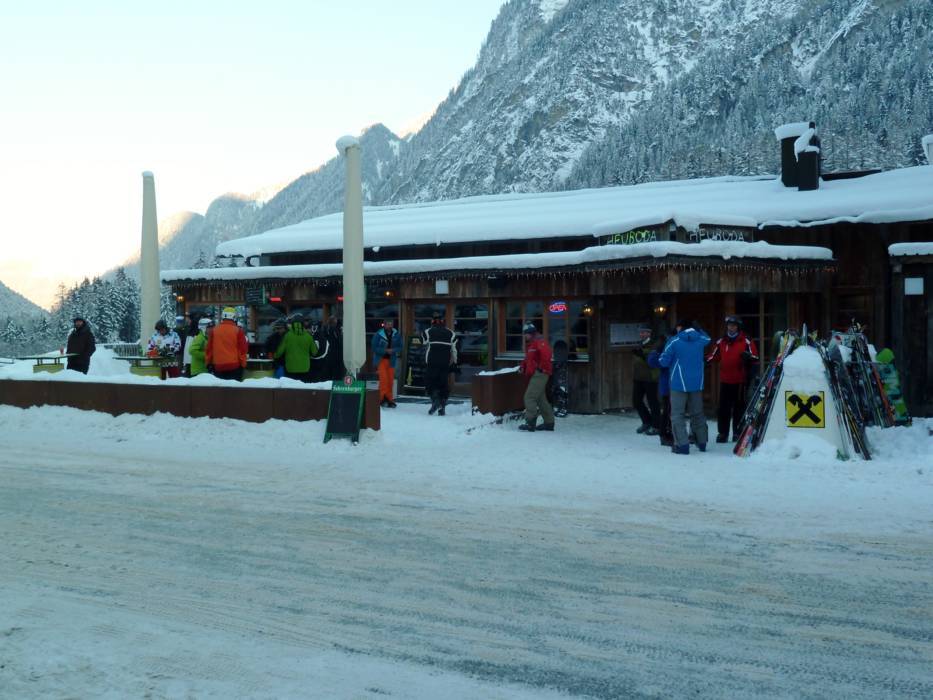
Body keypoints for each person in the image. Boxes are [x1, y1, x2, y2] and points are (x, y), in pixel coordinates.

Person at [659, 319, 710, 454]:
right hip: (697, 383)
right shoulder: (700, 339)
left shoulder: (674, 341)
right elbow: (708, 339)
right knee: (697, 413)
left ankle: (682, 445)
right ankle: (702, 442)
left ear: (680, 327)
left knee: (677, 414)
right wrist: (699, 329)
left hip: (678, 383)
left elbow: (663, 362)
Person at [706, 315, 759, 443]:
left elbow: (755, 357)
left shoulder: (746, 341)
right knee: (723, 408)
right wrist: (703, 359)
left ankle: (737, 432)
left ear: (738, 327)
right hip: (725, 380)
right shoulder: (721, 341)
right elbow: (713, 356)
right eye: (729, 325)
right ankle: (723, 433)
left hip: (740, 381)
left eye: (734, 325)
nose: (731, 328)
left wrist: (748, 358)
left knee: (739, 408)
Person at [518, 322, 555, 432]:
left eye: (526, 334)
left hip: (540, 374)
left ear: (531, 333)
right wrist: (522, 366)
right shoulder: (532, 344)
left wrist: (541, 368)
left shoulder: (540, 342)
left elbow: (547, 355)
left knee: (529, 397)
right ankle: (549, 423)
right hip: (536, 374)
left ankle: (530, 422)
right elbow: (528, 359)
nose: (525, 336)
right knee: (540, 399)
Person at [422, 311, 457, 415]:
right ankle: (442, 406)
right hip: (445, 362)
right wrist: (455, 362)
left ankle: (435, 400)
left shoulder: (428, 331)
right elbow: (454, 350)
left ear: (432, 322)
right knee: (443, 384)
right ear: (443, 322)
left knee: (430, 383)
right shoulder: (451, 333)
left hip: (432, 361)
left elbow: (423, 341)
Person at [631, 325, 660, 435]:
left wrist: (643, 355)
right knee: (636, 401)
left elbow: (654, 361)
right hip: (638, 377)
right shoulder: (640, 344)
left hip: (650, 378)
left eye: (644, 332)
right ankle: (647, 421)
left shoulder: (654, 345)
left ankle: (656, 425)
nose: (641, 334)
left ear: (649, 333)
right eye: (640, 332)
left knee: (653, 402)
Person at [206, 307, 248, 381]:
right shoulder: (238, 331)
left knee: (220, 387)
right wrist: (243, 364)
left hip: (218, 366)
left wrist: (208, 363)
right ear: (234, 317)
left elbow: (209, 349)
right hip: (234, 366)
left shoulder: (214, 330)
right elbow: (242, 350)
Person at [647, 334, 673, 447]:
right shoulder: (665, 348)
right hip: (668, 386)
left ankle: (670, 434)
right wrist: (656, 351)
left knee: (671, 412)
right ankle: (665, 435)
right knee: (668, 411)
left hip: (675, 385)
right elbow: (652, 361)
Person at [274, 313, 317, 382]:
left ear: (292, 323)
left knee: (291, 387)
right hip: (305, 369)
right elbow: (314, 352)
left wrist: (274, 355)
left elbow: (279, 352)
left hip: (290, 369)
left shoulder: (287, 336)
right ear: (303, 324)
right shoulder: (308, 336)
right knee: (302, 387)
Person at [371, 318, 402, 407]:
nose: (390, 326)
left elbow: (400, 346)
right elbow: (374, 347)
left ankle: (389, 399)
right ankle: (381, 398)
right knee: (384, 380)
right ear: (384, 325)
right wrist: (385, 350)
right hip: (381, 360)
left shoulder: (396, 334)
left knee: (390, 381)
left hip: (391, 360)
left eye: (391, 324)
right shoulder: (378, 334)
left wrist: (393, 350)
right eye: (388, 324)